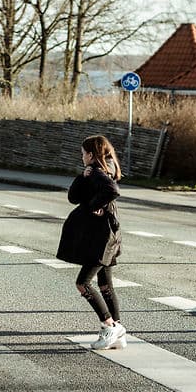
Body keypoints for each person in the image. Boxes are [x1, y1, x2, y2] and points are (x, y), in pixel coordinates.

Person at [56, 135, 126, 350]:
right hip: (108, 235)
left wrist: (94, 204)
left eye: (83, 152)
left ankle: (108, 325)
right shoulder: (103, 170)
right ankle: (118, 331)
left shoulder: (97, 172)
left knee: (82, 283)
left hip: (100, 238)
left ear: (91, 154)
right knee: (105, 285)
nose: (82, 156)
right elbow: (74, 197)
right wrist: (81, 177)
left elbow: (112, 191)